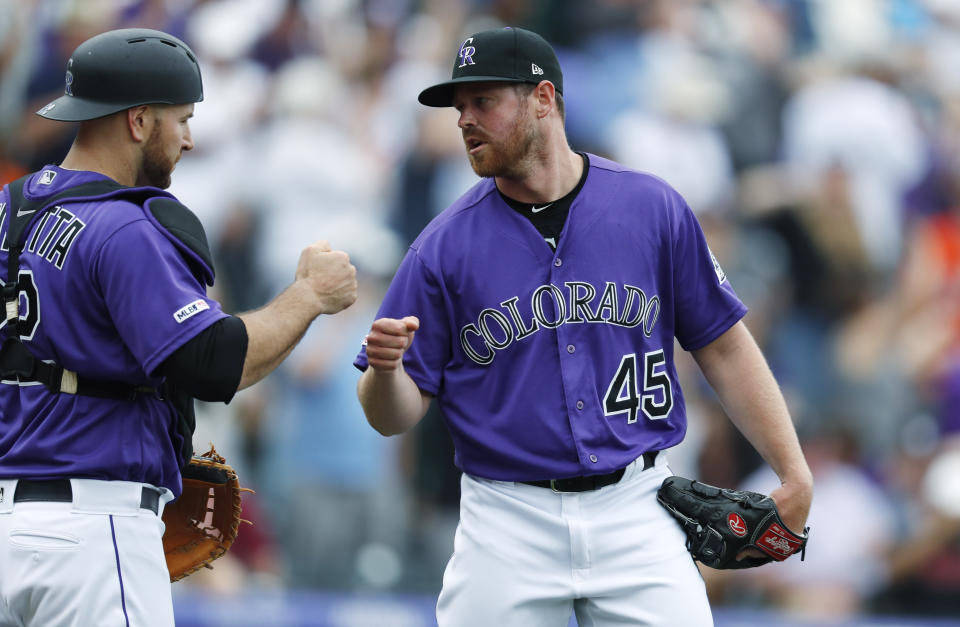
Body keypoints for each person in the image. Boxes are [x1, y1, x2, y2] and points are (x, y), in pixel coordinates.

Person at [355, 26, 813, 625]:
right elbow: (393, 417)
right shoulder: (440, 249)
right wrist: (386, 373)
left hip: (637, 504)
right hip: (507, 519)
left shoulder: (651, 208)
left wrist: (792, 468)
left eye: (483, 101)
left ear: (543, 99)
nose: (464, 119)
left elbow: (723, 345)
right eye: (460, 107)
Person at [0, 28, 357, 626]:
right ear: (138, 121)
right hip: (90, 531)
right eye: (181, 119)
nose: (189, 139)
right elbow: (214, 362)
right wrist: (307, 296)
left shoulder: (7, 211)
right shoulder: (123, 226)